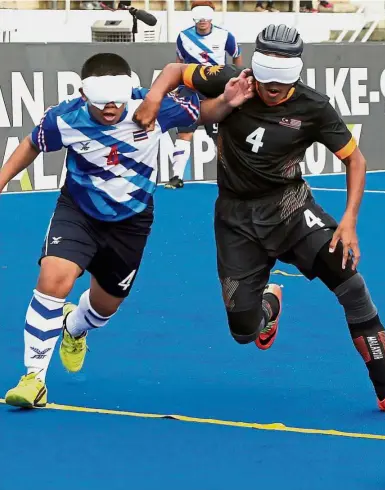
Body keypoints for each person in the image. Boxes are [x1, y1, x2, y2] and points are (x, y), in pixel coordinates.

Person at [133, 24, 385, 416]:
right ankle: (271, 302)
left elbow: (354, 159)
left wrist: (349, 221)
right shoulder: (231, 80)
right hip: (235, 218)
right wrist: (154, 97)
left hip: (291, 209)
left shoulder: (314, 107)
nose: (270, 90)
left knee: (351, 286)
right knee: (244, 332)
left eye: (279, 84)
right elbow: (175, 69)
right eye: (265, 81)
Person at [1, 52, 252, 409]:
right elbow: (32, 144)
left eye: (117, 101)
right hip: (79, 212)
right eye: (102, 103)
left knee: (104, 308)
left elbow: (201, 114)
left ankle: (75, 327)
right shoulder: (64, 117)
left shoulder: (154, 106)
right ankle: (33, 378)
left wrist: (228, 99)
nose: (111, 109)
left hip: (131, 223)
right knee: (54, 277)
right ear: (84, 94)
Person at [167, 0, 243, 190]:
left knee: (220, 135)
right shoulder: (183, 37)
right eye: (198, 15)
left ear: (211, 16)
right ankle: (176, 176)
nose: (202, 20)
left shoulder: (225, 35)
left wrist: (236, 77)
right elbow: (178, 62)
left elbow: (236, 55)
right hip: (190, 87)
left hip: (216, 88)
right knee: (185, 131)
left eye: (205, 15)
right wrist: (176, 83)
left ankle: (233, 174)